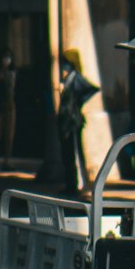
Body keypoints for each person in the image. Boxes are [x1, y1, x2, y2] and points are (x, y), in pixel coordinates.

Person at [58, 49, 99, 193]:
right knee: (68, 154)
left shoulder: (76, 78)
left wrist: (78, 104)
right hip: (66, 122)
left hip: (73, 122)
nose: (64, 66)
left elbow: (92, 89)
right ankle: (71, 184)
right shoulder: (68, 79)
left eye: (66, 63)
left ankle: (78, 184)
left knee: (75, 153)